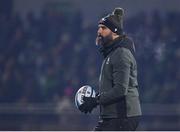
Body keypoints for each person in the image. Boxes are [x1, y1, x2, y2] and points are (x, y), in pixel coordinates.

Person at [79, 7, 142, 131]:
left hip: (122, 115)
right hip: (115, 116)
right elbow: (113, 88)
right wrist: (93, 100)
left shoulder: (121, 53)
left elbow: (120, 90)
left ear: (114, 32)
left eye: (103, 28)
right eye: (99, 27)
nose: (99, 31)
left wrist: (96, 101)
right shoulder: (113, 53)